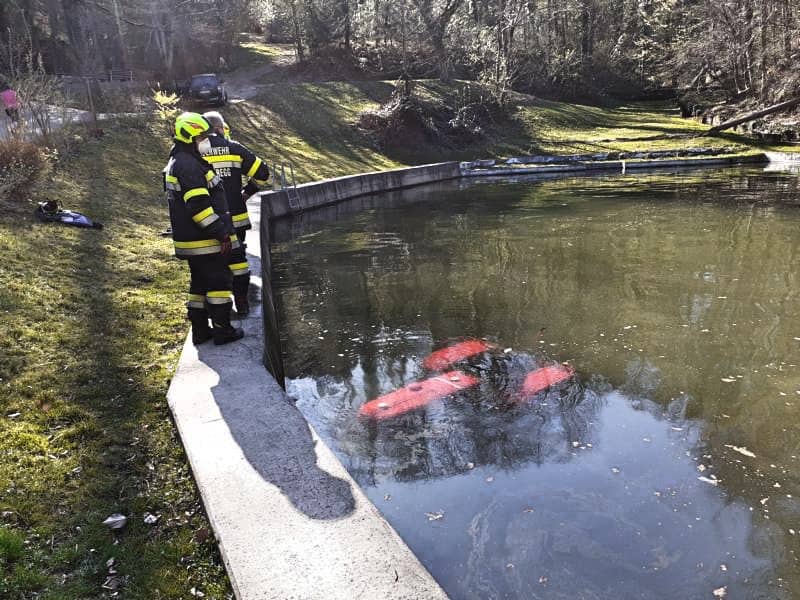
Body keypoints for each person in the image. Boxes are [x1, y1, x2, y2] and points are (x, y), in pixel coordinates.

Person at [163, 112, 243, 345]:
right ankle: (223, 330)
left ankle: (200, 331)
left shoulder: (180, 160)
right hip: (205, 240)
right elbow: (199, 207)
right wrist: (222, 233)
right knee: (219, 282)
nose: (207, 142)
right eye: (202, 138)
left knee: (198, 285)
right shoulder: (188, 165)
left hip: (191, 241)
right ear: (190, 137)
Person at [199, 110, 270, 316]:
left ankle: (217, 309)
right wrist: (246, 194)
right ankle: (242, 303)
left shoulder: (194, 152)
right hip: (236, 219)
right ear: (221, 128)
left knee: (213, 265)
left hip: (207, 221)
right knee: (238, 262)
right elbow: (263, 173)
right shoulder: (234, 148)